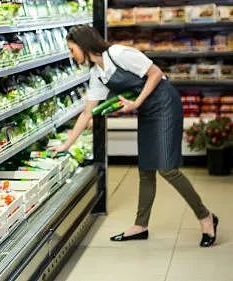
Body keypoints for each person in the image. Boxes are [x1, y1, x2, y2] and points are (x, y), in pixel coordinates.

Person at [49, 25, 218, 247]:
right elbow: (88, 112)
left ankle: (206, 217)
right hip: (146, 110)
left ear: (83, 45)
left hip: (164, 104)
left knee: (167, 168)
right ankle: (140, 225)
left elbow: (155, 73)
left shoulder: (118, 53)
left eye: (72, 50)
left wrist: (136, 103)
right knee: (146, 168)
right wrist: (66, 143)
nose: (71, 55)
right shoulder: (97, 74)